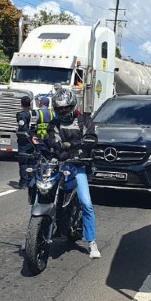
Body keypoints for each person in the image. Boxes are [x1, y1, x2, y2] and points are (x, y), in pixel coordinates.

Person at [46, 88, 101, 259]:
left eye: (66, 108)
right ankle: (33, 234)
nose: (62, 111)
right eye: (59, 108)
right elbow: (51, 140)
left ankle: (92, 242)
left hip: (78, 166)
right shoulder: (53, 124)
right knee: (42, 193)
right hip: (58, 166)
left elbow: (91, 138)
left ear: (72, 106)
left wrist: (78, 147)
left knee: (86, 203)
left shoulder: (84, 120)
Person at [16, 95, 38, 189]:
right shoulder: (35, 113)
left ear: (21, 104)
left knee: (23, 162)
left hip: (24, 141)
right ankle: (31, 181)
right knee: (32, 161)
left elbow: (22, 128)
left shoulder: (22, 115)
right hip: (34, 139)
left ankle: (24, 182)